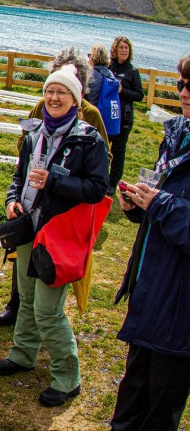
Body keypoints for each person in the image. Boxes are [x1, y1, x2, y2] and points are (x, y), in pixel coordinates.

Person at [0, 64, 108, 407]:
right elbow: (19, 177)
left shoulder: (89, 140)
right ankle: (23, 354)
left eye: (62, 92)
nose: (54, 98)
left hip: (58, 234)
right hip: (28, 227)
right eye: (49, 91)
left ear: (76, 100)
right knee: (27, 297)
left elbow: (97, 189)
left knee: (48, 310)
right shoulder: (33, 134)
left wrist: (54, 181)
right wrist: (12, 200)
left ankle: (68, 377)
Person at [111, 54, 190, 430]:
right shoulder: (176, 135)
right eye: (181, 84)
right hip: (151, 288)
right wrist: (138, 207)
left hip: (181, 303)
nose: (184, 93)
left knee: (160, 404)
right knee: (132, 392)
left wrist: (160, 204)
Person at [108, 36, 143, 194]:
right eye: (121, 47)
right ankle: (99, 177)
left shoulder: (132, 72)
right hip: (107, 116)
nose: (124, 50)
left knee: (118, 150)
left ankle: (112, 183)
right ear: (115, 49)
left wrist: (123, 91)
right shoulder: (109, 67)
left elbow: (139, 95)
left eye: (126, 48)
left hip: (124, 118)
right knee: (101, 146)